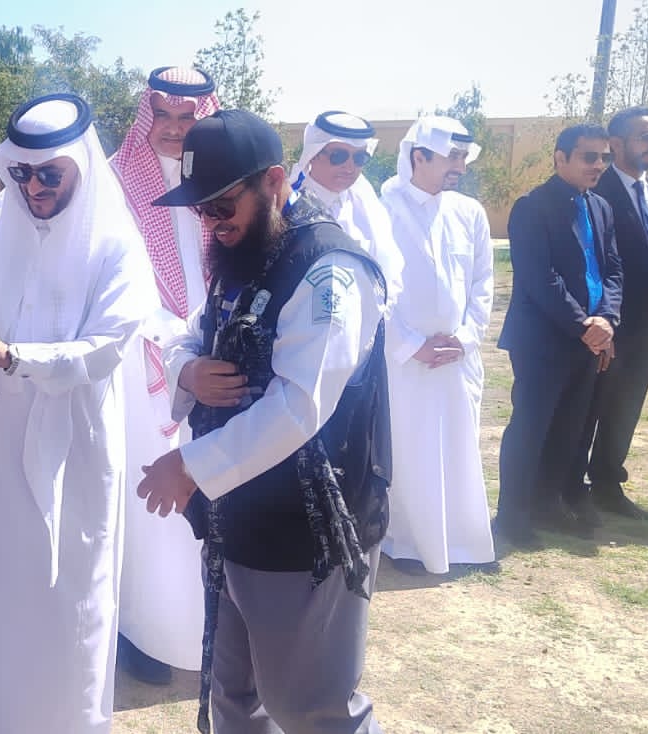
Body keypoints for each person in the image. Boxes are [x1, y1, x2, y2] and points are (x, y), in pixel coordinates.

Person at [136, 109, 390, 734]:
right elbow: (193, 330)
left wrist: (190, 465)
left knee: (311, 707)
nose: (211, 223)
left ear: (274, 182)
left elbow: (299, 406)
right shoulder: (248, 249)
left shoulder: (328, 270)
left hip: (307, 532)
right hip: (236, 519)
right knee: (236, 697)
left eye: (222, 206)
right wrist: (188, 371)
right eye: (201, 210)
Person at [0, 93, 157, 734]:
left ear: (80, 169)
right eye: (22, 173)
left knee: (70, 592)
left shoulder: (114, 239)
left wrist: (14, 355)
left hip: (76, 444)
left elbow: (106, 346)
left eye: (50, 175)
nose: (33, 187)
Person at [108, 64, 220, 685]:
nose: (175, 129)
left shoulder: (217, 177)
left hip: (211, 356)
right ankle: (145, 632)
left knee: (211, 482)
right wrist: (168, 345)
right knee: (150, 493)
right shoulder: (116, 180)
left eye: (187, 118)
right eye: (165, 116)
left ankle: (207, 631)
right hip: (139, 363)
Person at [376, 116, 497, 576]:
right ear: (418, 156)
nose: (460, 167)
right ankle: (406, 543)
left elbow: (484, 282)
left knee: (458, 452)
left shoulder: (469, 212)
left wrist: (466, 338)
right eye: (453, 157)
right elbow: (374, 290)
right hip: (403, 361)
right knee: (409, 454)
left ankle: (460, 544)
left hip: (456, 360)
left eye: (464, 157)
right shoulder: (383, 209)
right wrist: (411, 344)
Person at [495, 124, 624, 546]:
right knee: (531, 428)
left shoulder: (600, 207)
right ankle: (512, 516)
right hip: (543, 340)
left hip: (589, 339)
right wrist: (583, 325)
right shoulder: (532, 207)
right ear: (560, 157)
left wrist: (607, 319)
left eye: (604, 157)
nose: (599, 165)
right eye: (589, 156)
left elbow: (612, 270)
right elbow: (540, 277)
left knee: (569, 428)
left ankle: (547, 506)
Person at [581, 107, 648, 520]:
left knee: (626, 406)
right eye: (645, 136)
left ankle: (607, 483)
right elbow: (594, 262)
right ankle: (568, 487)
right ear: (617, 143)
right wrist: (601, 321)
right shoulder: (596, 189)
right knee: (590, 405)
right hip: (608, 320)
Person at [293, 110, 405, 313]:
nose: (350, 167)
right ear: (314, 155)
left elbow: (389, 276)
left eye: (359, 158)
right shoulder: (289, 205)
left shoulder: (368, 210)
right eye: (339, 156)